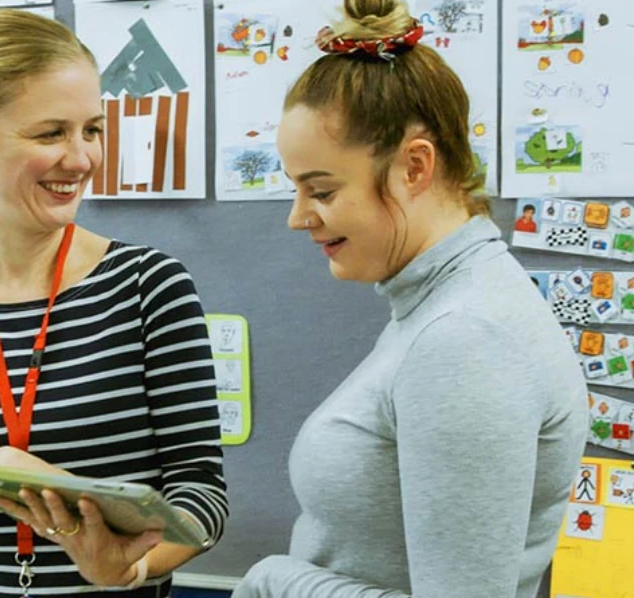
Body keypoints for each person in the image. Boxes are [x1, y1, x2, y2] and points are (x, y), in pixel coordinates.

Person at [0, 10, 227, 598]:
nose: (79, 159)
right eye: (50, 133)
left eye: (92, 130)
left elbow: (201, 494)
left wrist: (128, 568)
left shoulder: (147, 286)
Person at [232, 1, 587, 597]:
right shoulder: (437, 309)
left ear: (414, 167)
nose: (298, 218)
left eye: (320, 189)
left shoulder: (466, 339)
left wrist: (280, 580)